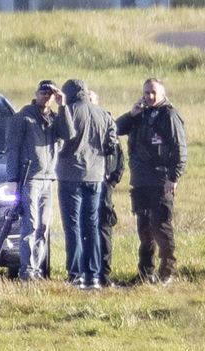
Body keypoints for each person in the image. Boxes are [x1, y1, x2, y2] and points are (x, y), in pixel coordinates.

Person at [115, 78, 187, 285]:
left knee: (162, 227)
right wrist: (131, 114)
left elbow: (179, 149)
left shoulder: (169, 115)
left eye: (153, 93)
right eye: (146, 92)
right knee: (144, 230)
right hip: (140, 183)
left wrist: (173, 178)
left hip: (160, 180)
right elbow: (116, 129)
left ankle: (167, 273)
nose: (149, 97)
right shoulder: (140, 114)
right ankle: (145, 274)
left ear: (162, 94)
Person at [5, 80, 75, 281]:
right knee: (31, 225)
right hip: (30, 178)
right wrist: (12, 178)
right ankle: (27, 271)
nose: (47, 96)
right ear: (36, 93)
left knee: (44, 226)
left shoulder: (54, 118)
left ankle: (37, 270)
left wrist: (63, 106)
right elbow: (13, 148)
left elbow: (69, 134)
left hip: (48, 179)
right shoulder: (24, 117)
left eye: (50, 93)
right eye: (43, 92)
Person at [57, 79, 117, 290]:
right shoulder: (102, 113)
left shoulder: (70, 110)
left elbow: (66, 134)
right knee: (91, 225)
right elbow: (112, 142)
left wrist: (61, 108)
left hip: (70, 175)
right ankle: (93, 273)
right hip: (96, 176)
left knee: (72, 226)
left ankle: (76, 274)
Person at [90, 90, 125, 287]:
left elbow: (119, 157)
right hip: (85, 183)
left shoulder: (108, 125)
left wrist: (112, 180)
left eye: (92, 101)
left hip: (104, 186)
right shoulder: (80, 124)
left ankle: (104, 273)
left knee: (104, 228)